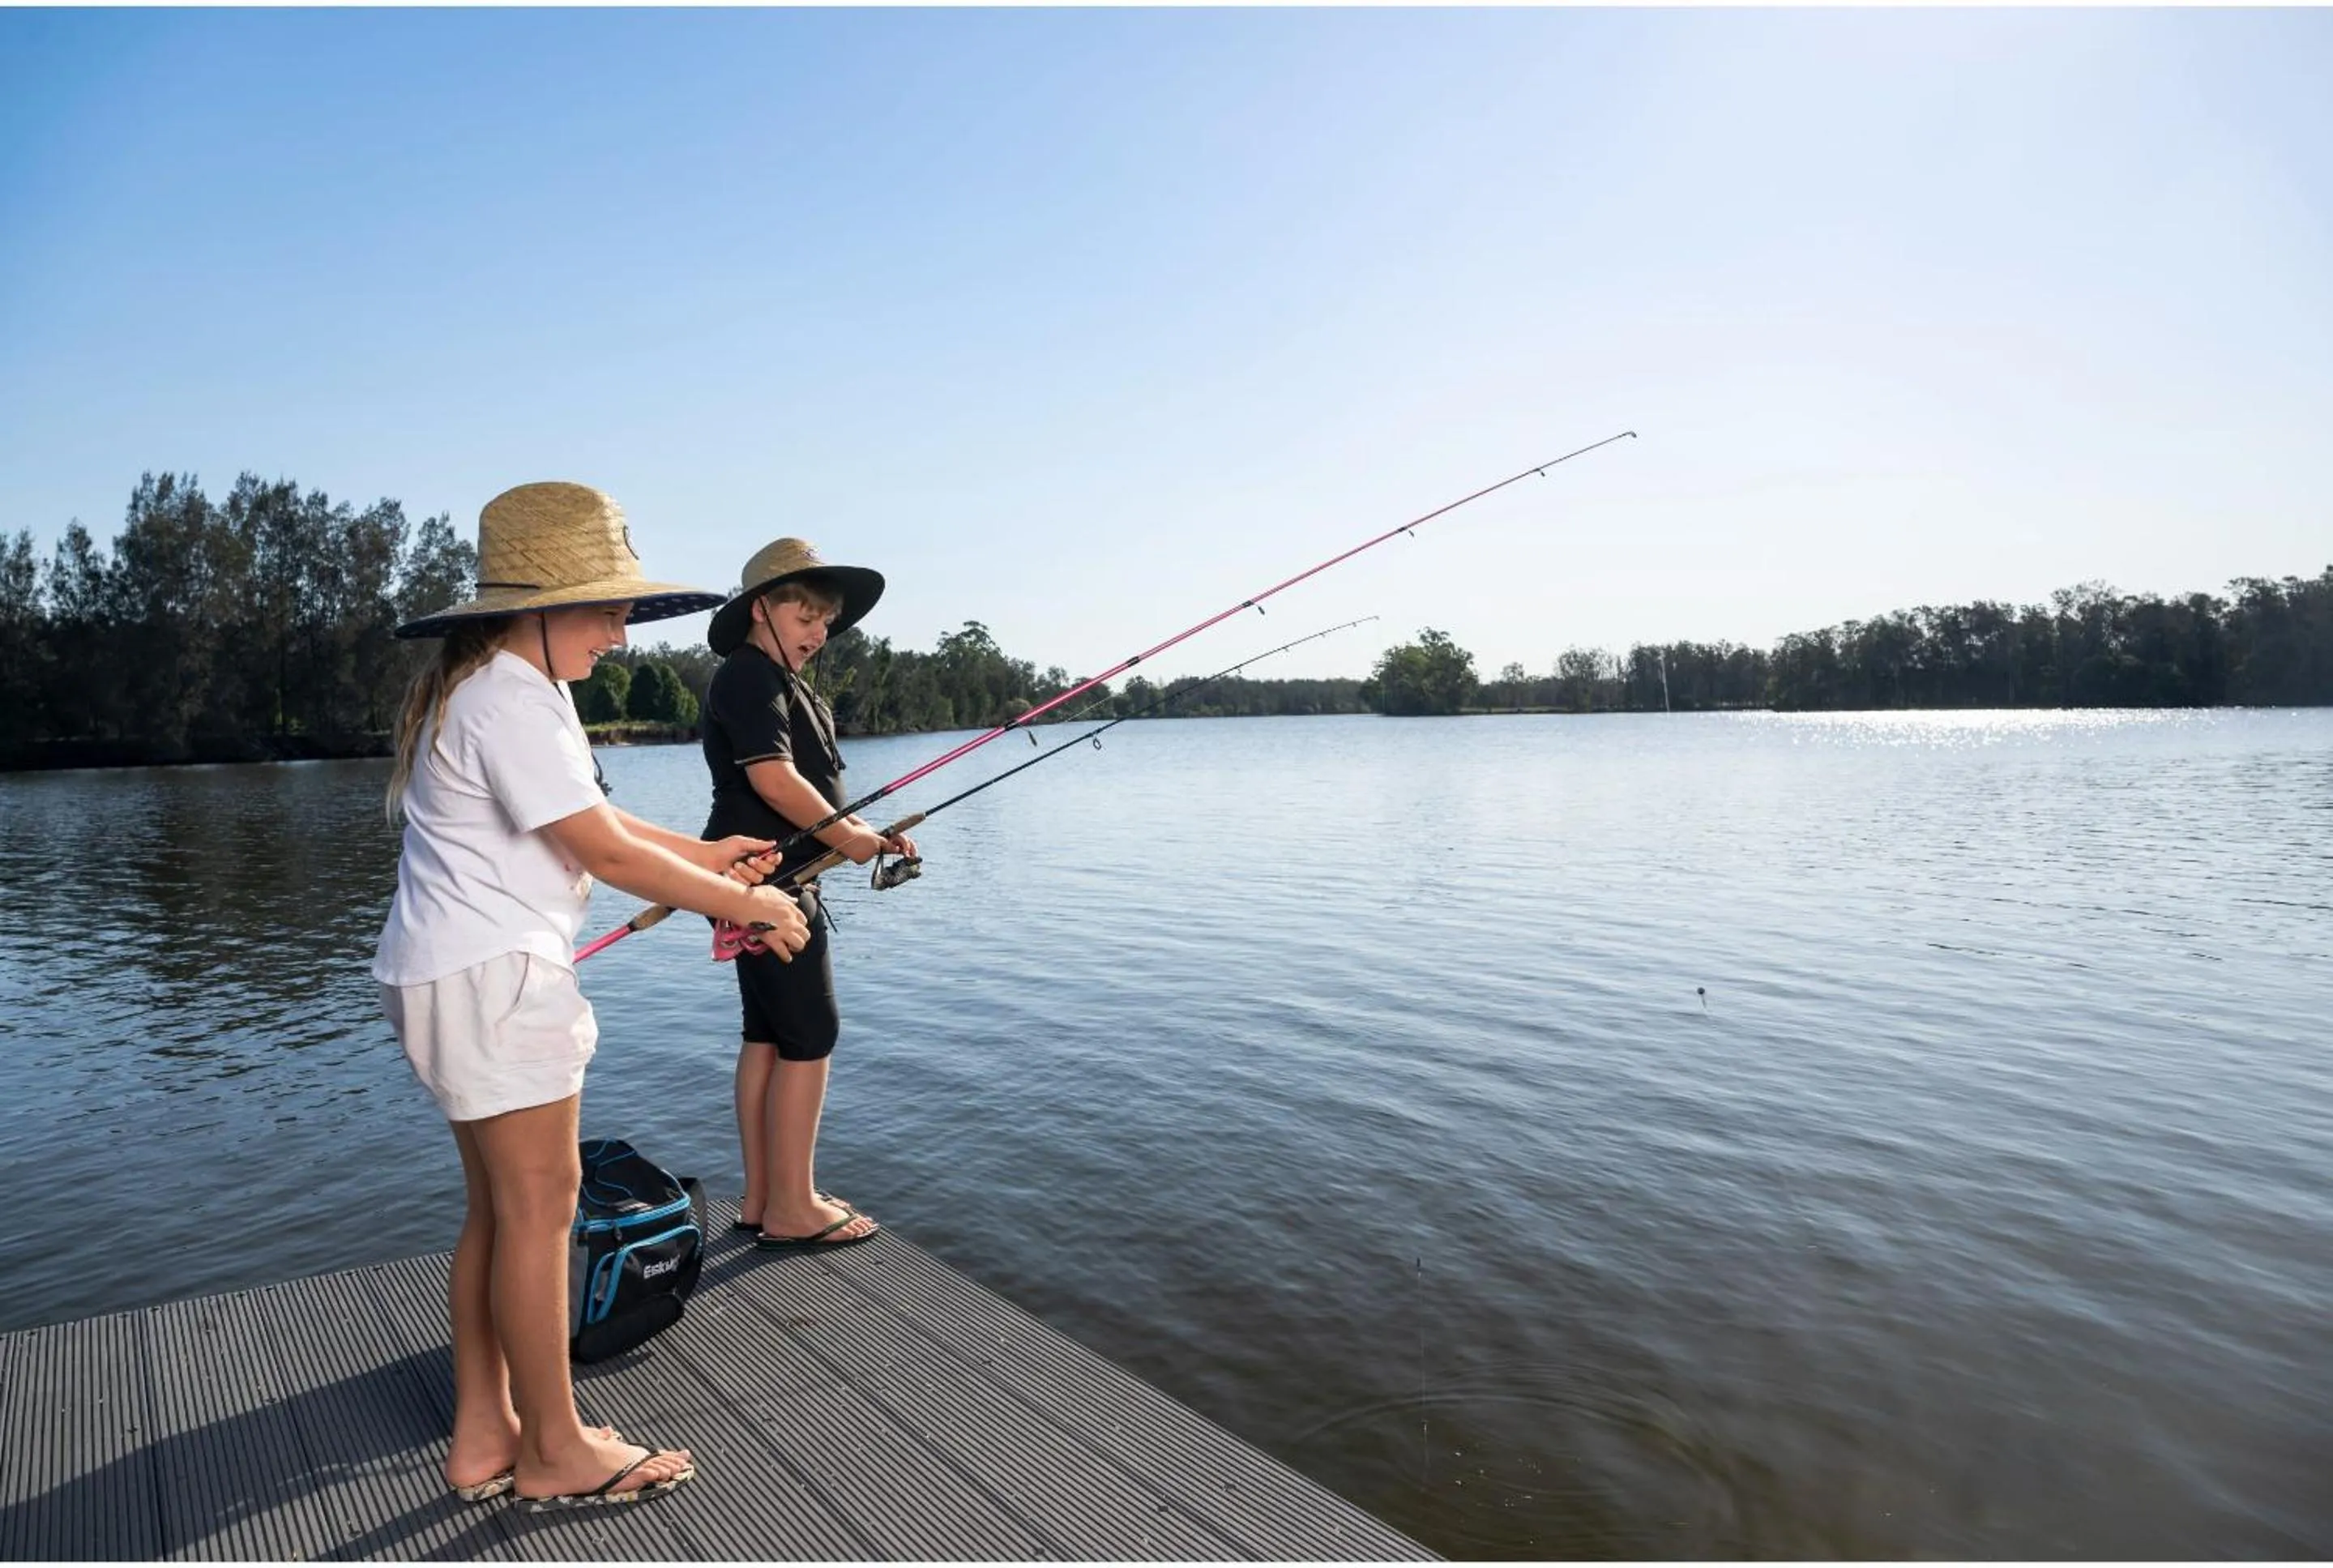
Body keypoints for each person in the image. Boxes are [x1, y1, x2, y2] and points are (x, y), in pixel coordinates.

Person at [374, 481, 810, 1510]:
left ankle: (488, 1432)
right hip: (498, 981)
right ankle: (556, 1448)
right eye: (607, 607)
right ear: (537, 605)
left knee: (497, 1211)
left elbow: (595, 819)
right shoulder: (513, 697)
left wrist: (703, 854)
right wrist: (759, 908)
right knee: (539, 1210)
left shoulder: (495, 684)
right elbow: (600, 850)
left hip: (443, 975)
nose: (621, 632)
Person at [700, 538, 914, 1251]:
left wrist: (870, 836)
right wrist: (850, 840)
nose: (819, 631)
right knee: (811, 1035)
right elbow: (772, 781)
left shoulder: (779, 682)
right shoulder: (748, 678)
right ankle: (793, 1204)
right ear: (761, 609)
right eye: (806, 614)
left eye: (827, 619)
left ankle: (764, 1197)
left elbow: (816, 795)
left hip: (772, 881)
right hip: (769, 888)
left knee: (768, 1034)